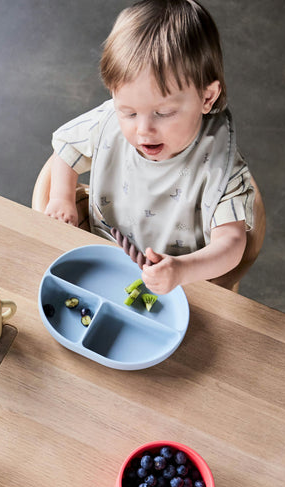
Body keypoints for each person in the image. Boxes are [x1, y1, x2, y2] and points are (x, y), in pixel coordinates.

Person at [46, 0, 254, 294]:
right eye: (128, 112)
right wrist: (61, 198)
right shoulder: (110, 123)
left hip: (181, 287)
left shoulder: (219, 167)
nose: (143, 130)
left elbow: (232, 245)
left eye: (164, 113)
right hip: (104, 259)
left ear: (207, 97)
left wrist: (182, 270)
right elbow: (66, 151)